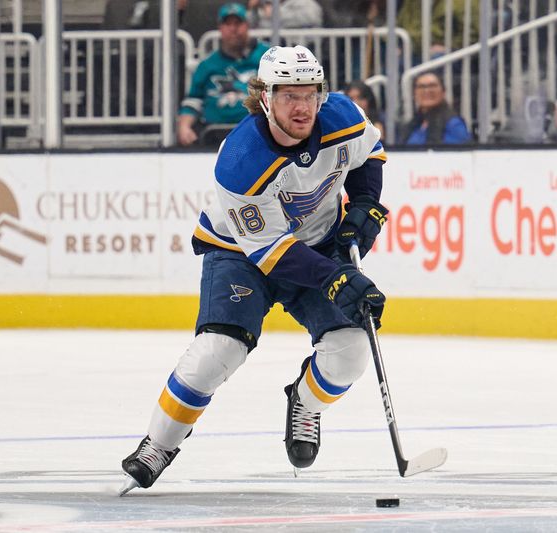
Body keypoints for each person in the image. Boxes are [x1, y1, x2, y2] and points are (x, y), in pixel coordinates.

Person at [119, 45, 388, 495]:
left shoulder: (343, 115)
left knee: (351, 351)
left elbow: (370, 154)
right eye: (288, 95)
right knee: (218, 351)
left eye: (310, 93)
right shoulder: (241, 159)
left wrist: (363, 204)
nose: (302, 107)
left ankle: (304, 403)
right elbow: (269, 251)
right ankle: (160, 443)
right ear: (264, 97)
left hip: (317, 246)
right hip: (241, 254)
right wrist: (336, 277)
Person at [177, 3, 270, 146]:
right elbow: (193, 101)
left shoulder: (266, 57)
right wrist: (184, 126)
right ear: (220, 28)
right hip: (213, 136)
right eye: (228, 24)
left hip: (259, 135)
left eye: (238, 23)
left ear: (247, 25)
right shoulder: (207, 65)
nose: (233, 29)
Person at [400, 71, 472, 145]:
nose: (427, 91)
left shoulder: (454, 124)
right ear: (414, 94)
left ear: (443, 92)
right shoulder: (413, 125)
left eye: (432, 86)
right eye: (421, 86)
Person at [246, 0, 323, 29]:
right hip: (273, 55)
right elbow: (249, 25)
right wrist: (253, 9)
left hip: (303, 53)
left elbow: (312, 17)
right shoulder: (265, 6)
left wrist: (277, 13)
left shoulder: (304, 2)